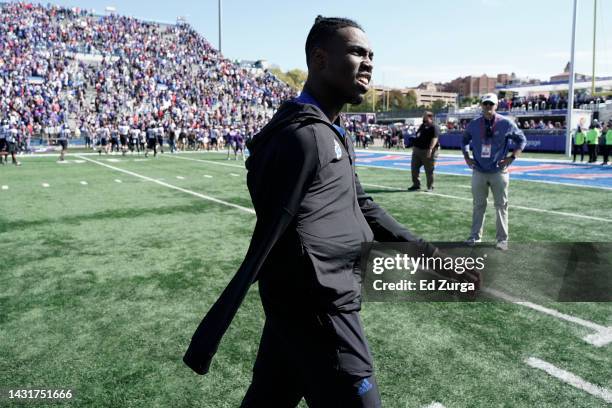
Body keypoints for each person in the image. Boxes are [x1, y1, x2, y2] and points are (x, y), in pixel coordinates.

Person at [183, 16, 479, 407]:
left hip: (300, 306)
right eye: (357, 52)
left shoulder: (329, 131)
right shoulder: (300, 136)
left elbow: (362, 205)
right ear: (320, 59)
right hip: (320, 307)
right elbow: (272, 229)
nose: (368, 62)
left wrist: (427, 254)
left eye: (371, 54)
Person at [462, 93, 526, 251]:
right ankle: (474, 236)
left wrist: (512, 157)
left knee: (501, 206)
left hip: (499, 171)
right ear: (481, 105)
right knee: (478, 205)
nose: (488, 107)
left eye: (491, 104)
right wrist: (467, 157)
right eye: (485, 104)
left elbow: (521, 140)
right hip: (478, 170)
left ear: (496, 106)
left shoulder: (505, 123)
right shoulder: (474, 124)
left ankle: (502, 239)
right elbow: (464, 140)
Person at [408, 111, 440, 192]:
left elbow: (435, 138)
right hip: (417, 150)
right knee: (414, 168)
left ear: (430, 117)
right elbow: (418, 135)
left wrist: (430, 149)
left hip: (427, 150)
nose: (423, 118)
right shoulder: (422, 125)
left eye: (425, 116)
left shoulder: (434, 127)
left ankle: (430, 186)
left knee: (429, 169)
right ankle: (416, 185)